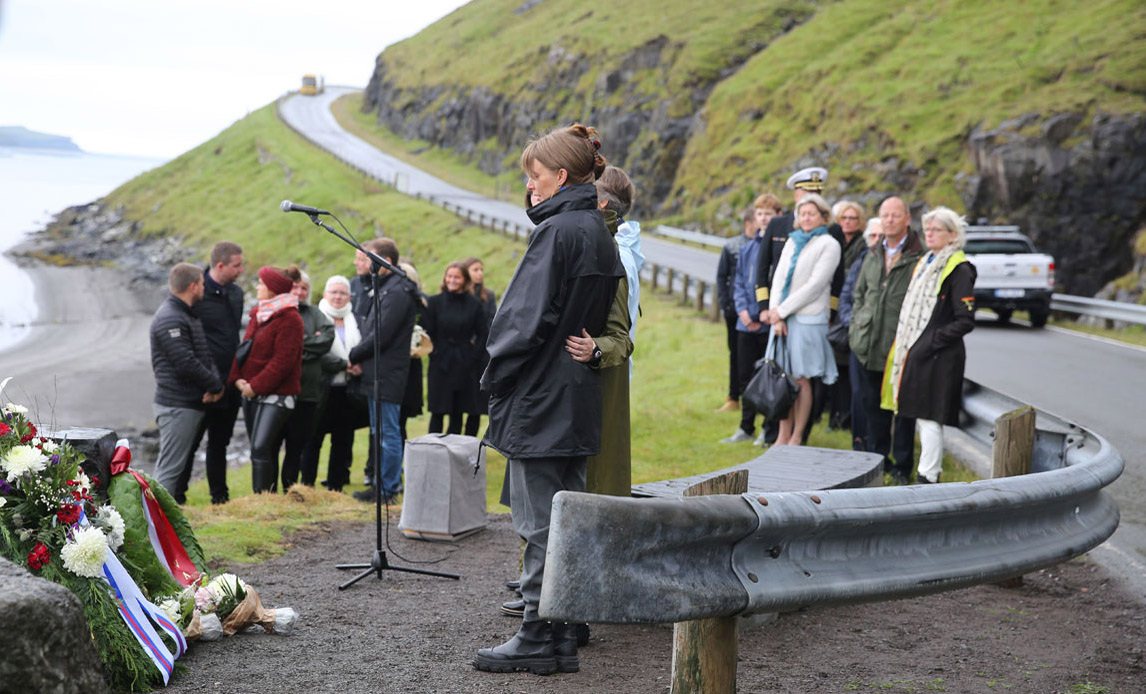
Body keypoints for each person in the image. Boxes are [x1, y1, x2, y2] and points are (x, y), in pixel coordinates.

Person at [474, 123, 622, 676]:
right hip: (575, 395)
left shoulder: (557, 233)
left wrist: (496, 377)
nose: (530, 188)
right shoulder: (597, 229)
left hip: (539, 395)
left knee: (540, 519)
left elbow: (520, 321)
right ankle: (561, 633)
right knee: (568, 514)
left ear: (560, 176)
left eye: (534, 177)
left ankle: (537, 632)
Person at [882, 207, 976, 483]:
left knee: (929, 416)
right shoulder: (926, 262)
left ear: (952, 235)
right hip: (919, 350)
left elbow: (965, 320)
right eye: (927, 229)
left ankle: (929, 476)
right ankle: (926, 472)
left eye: (937, 230)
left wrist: (930, 341)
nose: (930, 234)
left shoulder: (959, 268)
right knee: (918, 414)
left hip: (939, 355)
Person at [849, 197, 925, 484]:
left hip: (901, 347)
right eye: (885, 216)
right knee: (871, 407)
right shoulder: (872, 252)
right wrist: (857, 326)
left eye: (895, 215)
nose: (889, 220)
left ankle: (903, 467)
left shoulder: (919, 255)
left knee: (902, 410)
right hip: (867, 343)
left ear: (907, 219)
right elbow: (859, 293)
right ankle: (879, 461)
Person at [762, 194, 842, 445]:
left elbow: (815, 285)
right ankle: (782, 434)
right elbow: (777, 278)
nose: (806, 218)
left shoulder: (829, 244)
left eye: (811, 214)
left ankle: (797, 435)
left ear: (823, 217)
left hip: (808, 318)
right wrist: (776, 315)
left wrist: (781, 311)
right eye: (802, 214)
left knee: (802, 378)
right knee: (782, 375)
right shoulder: (792, 241)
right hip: (782, 319)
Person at [347, 238, 418, 504]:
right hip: (376, 370)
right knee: (379, 432)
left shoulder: (397, 292)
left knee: (388, 432)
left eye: (363, 258)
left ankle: (388, 488)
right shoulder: (384, 287)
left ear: (384, 263)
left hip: (387, 373)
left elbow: (381, 335)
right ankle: (380, 484)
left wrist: (352, 355)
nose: (357, 262)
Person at [149, 263, 224, 501]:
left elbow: (203, 355)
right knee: (169, 472)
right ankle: (156, 527)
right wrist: (216, 386)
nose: (205, 287)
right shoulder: (171, 317)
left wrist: (215, 385)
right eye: (202, 284)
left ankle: (162, 524)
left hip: (185, 404)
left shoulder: (185, 313)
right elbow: (186, 363)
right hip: (176, 405)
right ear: (193, 286)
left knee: (172, 468)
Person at [228, 266, 304, 494]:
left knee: (261, 447)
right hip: (251, 392)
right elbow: (245, 350)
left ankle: (263, 501)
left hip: (278, 395)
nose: (258, 287)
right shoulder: (258, 314)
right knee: (262, 449)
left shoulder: (291, 319)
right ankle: (264, 499)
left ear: (273, 289)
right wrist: (238, 379)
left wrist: (255, 386)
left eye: (262, 284)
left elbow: (283, 361)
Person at [183, 241, 244, 505]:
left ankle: (220, 498)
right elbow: (192, 343)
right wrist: (207, 381)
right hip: (203, 385)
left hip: (229, 383)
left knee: (220, 443)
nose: (241, 270)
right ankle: (177, 496)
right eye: (237, 265)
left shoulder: (237, 293)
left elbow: (231, 338)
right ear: (220, 265)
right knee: (191, 442)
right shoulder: (197, 295)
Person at [720, 200, 777, 445]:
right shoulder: (746, 248)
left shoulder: (779, 247)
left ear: (778, 215)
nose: (763, 218)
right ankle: (746, 426)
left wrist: (763, 313)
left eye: (769, 214)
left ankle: (767, 427)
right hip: (745, 323)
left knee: (766, 376)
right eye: (760, 214)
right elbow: (739, 282)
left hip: (767, 322)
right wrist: (743, 311)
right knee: (745, 376)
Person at [300, 275, 361, 491]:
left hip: (347, 389)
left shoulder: (355, 319)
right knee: (313, 438)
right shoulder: (316, 317)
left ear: (349, 296)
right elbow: (315, 353)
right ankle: (306, 485)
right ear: (325, 294)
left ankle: (336, 486)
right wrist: (344, 364)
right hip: (320, 387)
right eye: (333, 292)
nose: (338, 296)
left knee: (343, 439)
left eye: (343, 292)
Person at [279, 266, 334, 491]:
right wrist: (310, 343)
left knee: (297, 445)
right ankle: (270, 491)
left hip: (308, 392)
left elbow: (327, 338)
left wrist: (300, 345)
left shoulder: (314, 314)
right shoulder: (280, 312)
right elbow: (283, 345)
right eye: (295, 287)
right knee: (274, 444)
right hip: (281, 391)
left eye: (304, 288)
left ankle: (292, 490)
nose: (300, 292)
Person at [424, 261, 487, 435]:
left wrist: (472, 357)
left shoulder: (474, 304)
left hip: (464, 363)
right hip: (440, 362)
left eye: (456, 277)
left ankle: (455, 455)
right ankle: (432, 450)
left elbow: (483, 334)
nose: (452, 280)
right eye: (449, 276)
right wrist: (434, 353)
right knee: (437, 411)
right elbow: (427, 330)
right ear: (445, 278)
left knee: (457, 412)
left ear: (464, 280)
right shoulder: (435, 302)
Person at [839, 218, 883, 452]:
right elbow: (848, 296)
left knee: (877, 397)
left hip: (883, 341)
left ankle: (878, 447)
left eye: (881, 236)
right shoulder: (862, 261)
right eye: (873, 236)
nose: (877, 240)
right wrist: (853, 325)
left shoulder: (891, 262)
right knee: (858, 394)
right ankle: (859, 442)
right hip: (860, 338)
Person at [826, 200, 867, 431]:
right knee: (835, 369)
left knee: (850, 370)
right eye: (844, 218)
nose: (848, 222)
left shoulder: (862, 244)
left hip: (851, 307)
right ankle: (835, 415)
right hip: (835, 304)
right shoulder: (834, 240)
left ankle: (847, 417)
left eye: (852, 218)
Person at [715, 207, 754, 412]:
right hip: (734, 311)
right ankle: (733, 396)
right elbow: (722, 277)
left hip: (754, 311)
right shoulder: (731, 246)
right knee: (735, 354)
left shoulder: (764, 245)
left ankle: (754, 396)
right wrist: (726, 304)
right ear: (749, 223)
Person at [461, 256, 496, 437]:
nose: (480, 273)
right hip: (462, 353)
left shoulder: (488, 296)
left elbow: (491, 322)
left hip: (481, 354)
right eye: (475, 270)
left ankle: (470, 440)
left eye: (481, 269)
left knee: (475, 403)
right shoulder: (461, 294)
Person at [399, 260, 429, 444]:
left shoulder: (421, 304)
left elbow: (427, 330)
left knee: (400, 418)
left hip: (410, 365)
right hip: (398, 364)